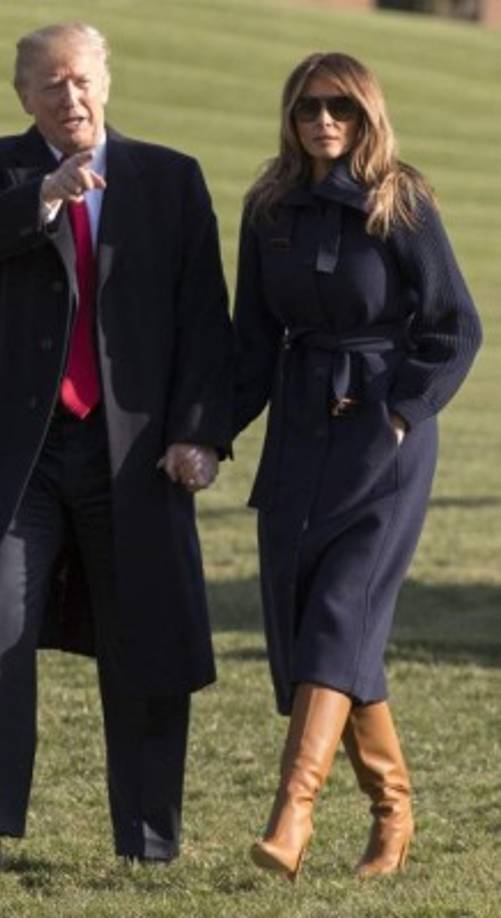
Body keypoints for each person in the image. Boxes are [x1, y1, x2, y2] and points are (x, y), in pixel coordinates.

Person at [0, 21, 232, 876]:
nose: (70, 96)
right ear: (25, 97)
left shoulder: (170, 179)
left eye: (82, 79)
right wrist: (48, 191)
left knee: (147, 634)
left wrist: (201, 434)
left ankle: (149, 838)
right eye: (50, 85)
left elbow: (207, 320)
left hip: (135, 455)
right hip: (22, 452)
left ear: (107, 81)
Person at [233, 51, 481, 880]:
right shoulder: (267, 206)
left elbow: (454, 326)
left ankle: (291, 814)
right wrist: (201, 433)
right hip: (299, 433)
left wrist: (404, 413)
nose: (323, 121)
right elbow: (248, 343)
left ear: (366, 113)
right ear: (289, 115)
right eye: (308, 107)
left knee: (340, 615)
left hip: (382, 438)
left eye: (340, 106)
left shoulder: (399, 198)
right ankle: (391, 811)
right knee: (323, 628)